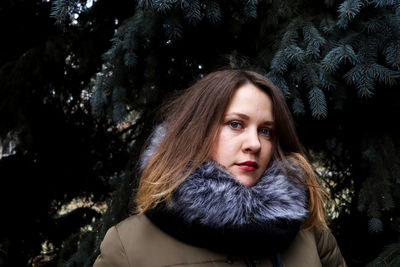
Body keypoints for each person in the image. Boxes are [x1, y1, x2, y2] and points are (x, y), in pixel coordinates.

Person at [93, 69, 347, 267]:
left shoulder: (310, 234)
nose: (254, 143)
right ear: (195, 132)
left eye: (266, 131)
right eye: (236, 124)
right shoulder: (128, 245)